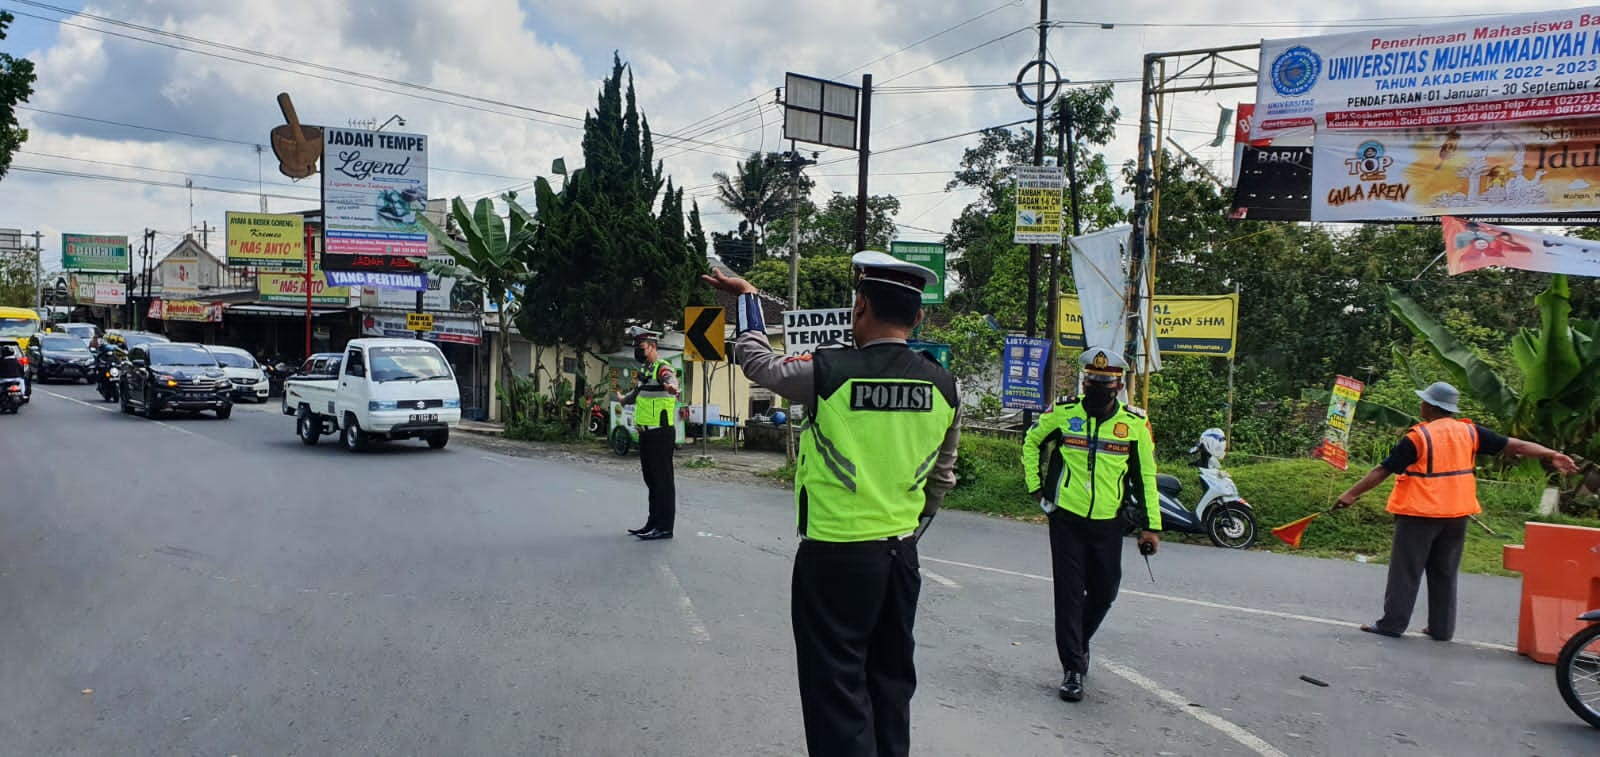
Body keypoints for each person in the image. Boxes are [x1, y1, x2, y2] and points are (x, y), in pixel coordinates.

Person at [704, 251, 960, 757]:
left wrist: (750, 302)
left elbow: (756, 362)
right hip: (901, 558)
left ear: (859, 304)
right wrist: (906, 528)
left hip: (836, 557)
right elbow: (941, 479)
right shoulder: (944, 385)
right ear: (919, 316)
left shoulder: (829, 371)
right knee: (889, 685)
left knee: (836, 691)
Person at [1336, 381, 1577, 641]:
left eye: (1423, 401)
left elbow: (1383, 470)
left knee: (1406, 571)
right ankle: (1442, 629)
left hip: (1419, 515)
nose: (1421, 405)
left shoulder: (1418, 437)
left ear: (1430, 407)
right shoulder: (1470, 432)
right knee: (1445, 573)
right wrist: (1552, 454)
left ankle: (1392, 624)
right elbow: (1516, 446)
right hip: (1456, 516)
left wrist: (1351, 494)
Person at [1021, 347, 1161, 703]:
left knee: (1105, 591)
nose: (1098, 388)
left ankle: (1078, 641)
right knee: (1068, 595)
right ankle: (1072, 669)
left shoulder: (1133, 424)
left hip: (1109, 522)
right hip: (1066, 519)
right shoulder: (1064, 414)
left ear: (1117, 386)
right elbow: (1032, 440)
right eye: (1093, 381)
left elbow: (1145, 475)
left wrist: (1151, 526)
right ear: (1084, 381)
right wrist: (1036, 489)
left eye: (1106, 383)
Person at [616, 328, 680, 541]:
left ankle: (664, 527)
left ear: (653, 347)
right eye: (636, 348)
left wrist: (672, 387)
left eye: (641, 348)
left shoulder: (662, 368)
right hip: (646, 433)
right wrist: (623, 400)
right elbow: (637, 395)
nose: (638, 352)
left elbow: (670, 379)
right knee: (651, 480)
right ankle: (652, 523)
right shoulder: (647, 371)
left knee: (663, 481)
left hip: (660, 433)